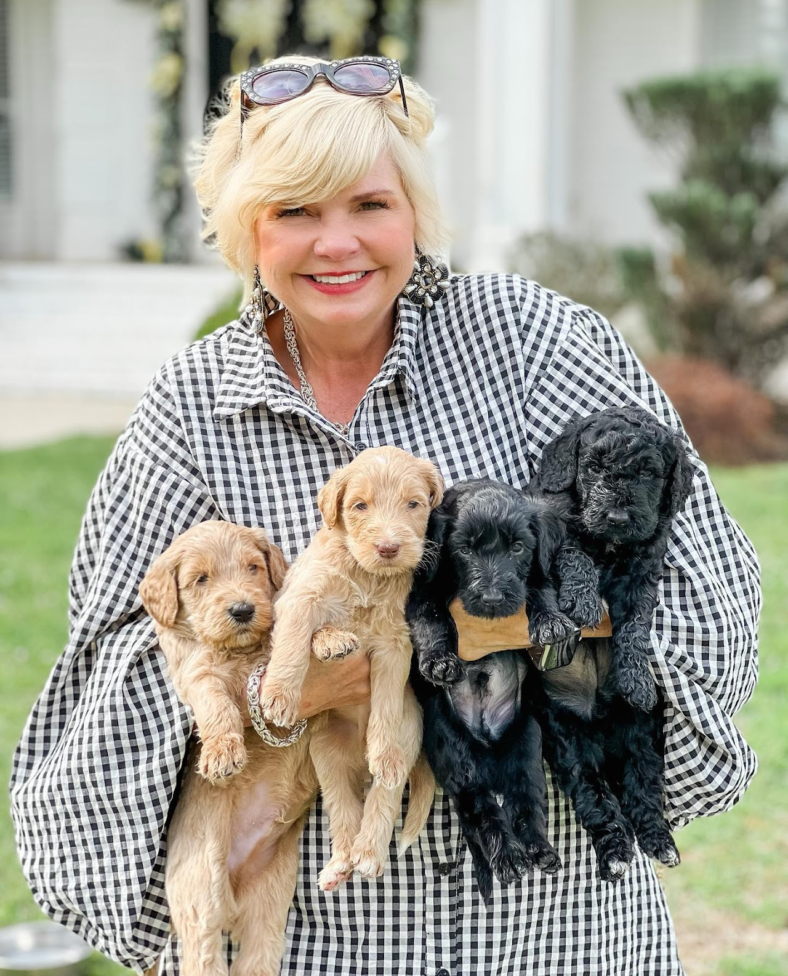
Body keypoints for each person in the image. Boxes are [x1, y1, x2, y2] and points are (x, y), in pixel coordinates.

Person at [10, 55, 759, 975]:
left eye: (369, 205)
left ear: (414, 212)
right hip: (305, 944)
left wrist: (486, 641)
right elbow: (101, 678)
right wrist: (278, 698)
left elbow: (701, 581)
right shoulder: (190, 407)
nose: (338, 244)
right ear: (248, 227)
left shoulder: (533, 340)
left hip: (545, 935)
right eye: (295, 210)